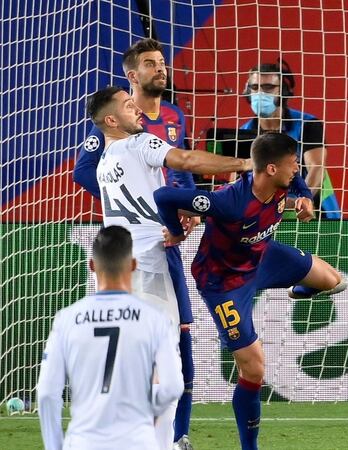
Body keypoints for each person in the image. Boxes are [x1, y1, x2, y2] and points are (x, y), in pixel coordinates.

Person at [154, 132, 347, 450]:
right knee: (254, 367)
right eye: (291, 163)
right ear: (271, 169)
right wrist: (176, 232)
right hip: (224, 282)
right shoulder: (230, 201)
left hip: (263, 256)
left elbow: (297, 181)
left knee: (334, 281)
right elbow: (164, 197)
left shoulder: (283, 182)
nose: (296, 167)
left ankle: (298, 290)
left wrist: (304, 198)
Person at [85, 85, 253, 449]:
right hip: (147, 264)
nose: (138, 111)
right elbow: (188, 161)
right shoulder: (139, 143)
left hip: (123, 265)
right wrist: (243, 164)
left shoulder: (105, 164)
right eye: (129, 106)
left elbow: (143, 207)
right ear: (111, 120)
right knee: (164, 363)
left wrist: (184, 213)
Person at [73, 38, 199, 448]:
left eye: (162, 63)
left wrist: (188, 207)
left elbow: (181, 170)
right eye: (151, 64)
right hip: (139, 240)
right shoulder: (113, 122)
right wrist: (130, 203)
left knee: (181, 334)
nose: (160, 70)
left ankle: (178, 436)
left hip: (169, 238)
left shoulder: (174, 115)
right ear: (134, 75)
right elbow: (84, 173)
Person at [37, 226, 183, 450]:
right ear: (133, 265)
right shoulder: (156, 319)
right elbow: (172, 386)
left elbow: (47, 393)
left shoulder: (66, 320)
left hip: (83, 443)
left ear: (92, 266)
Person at [241, 60, 341, 219]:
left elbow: (316, 167)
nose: (260, 93)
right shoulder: (244, 132)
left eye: (268, 87)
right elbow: (240, 178)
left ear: (283, 91)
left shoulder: (307, 124)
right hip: (266, 214)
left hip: (316, 210)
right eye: (254, 87)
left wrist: (302, 201)